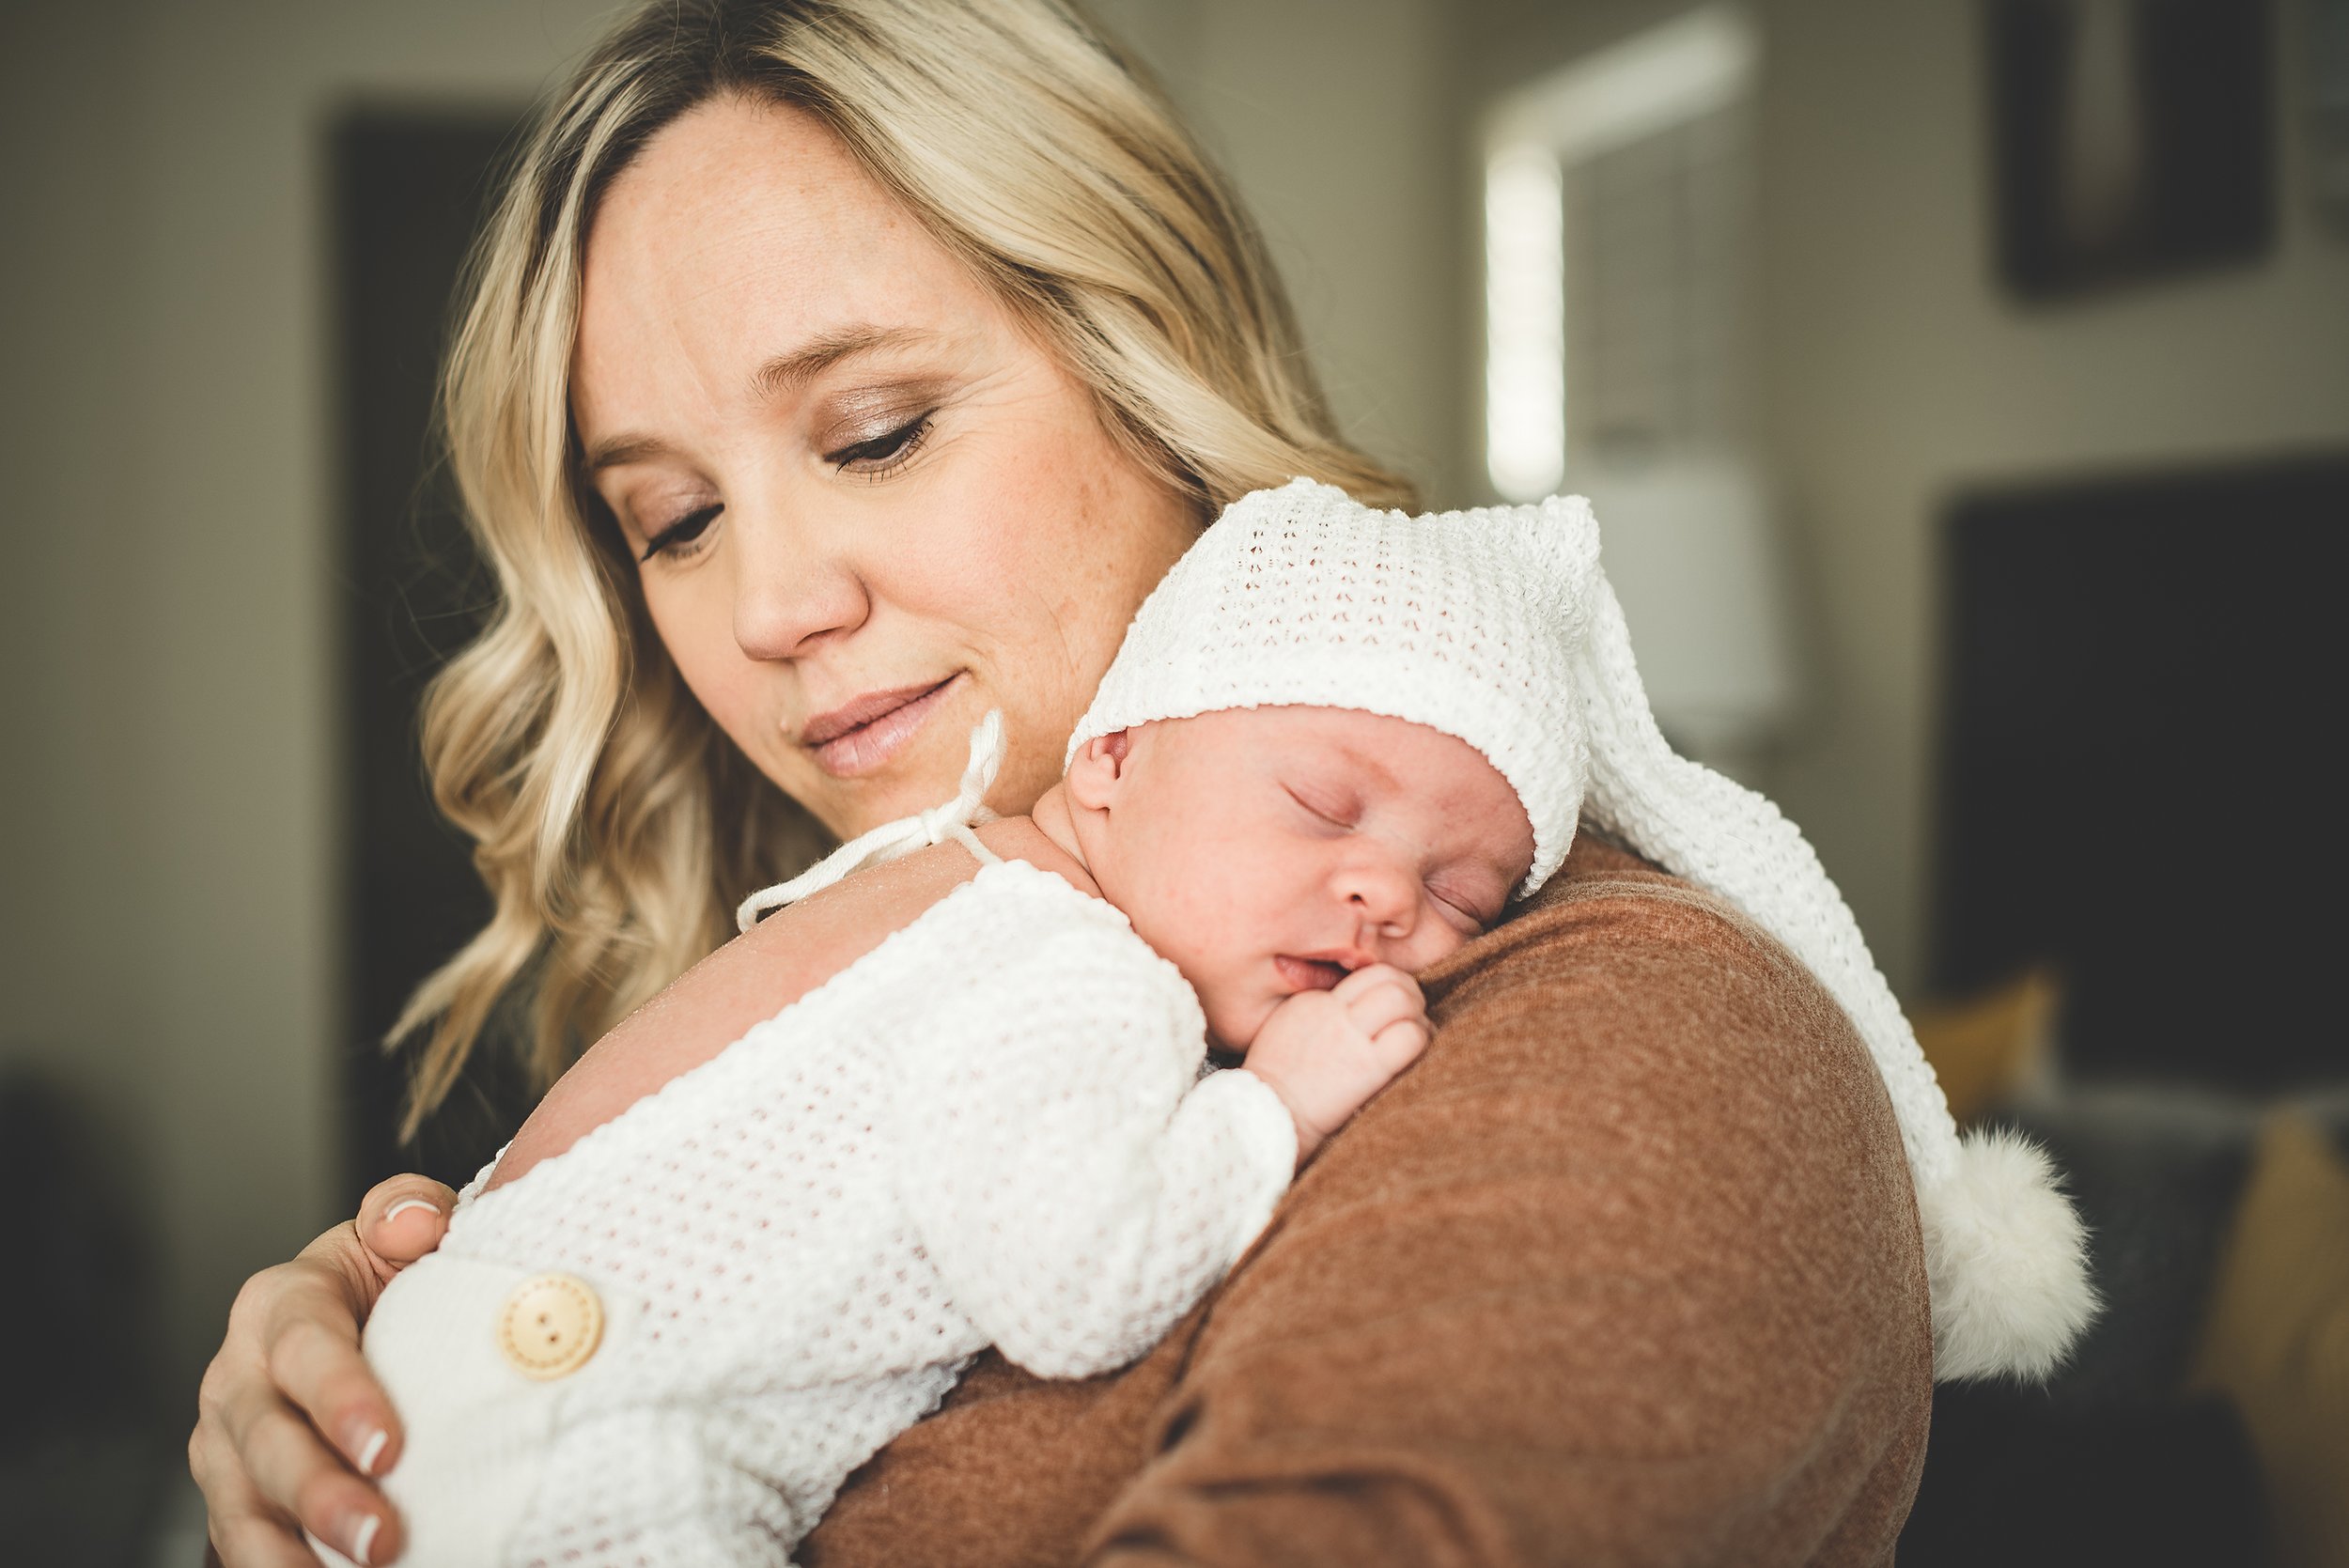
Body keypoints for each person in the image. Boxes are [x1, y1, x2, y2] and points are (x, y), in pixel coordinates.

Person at [190, 5, 2078, 1565]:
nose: (769, 605)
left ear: (1151, 362)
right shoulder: (939, 945)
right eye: (670, 520)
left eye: (876, 430)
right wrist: (411, 1365)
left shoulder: (1619, 1028)